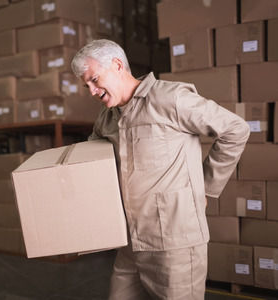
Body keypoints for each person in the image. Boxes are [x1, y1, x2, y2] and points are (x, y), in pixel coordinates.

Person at [71, 39, 250, 299]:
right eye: (86, 84)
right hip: (130, 242)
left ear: (118, 65)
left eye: (94, 80)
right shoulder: (106, 118)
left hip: (174, 243)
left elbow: (236, 130)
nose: (91, 90)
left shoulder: (170, 99)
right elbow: (94, 164)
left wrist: (207, 189)